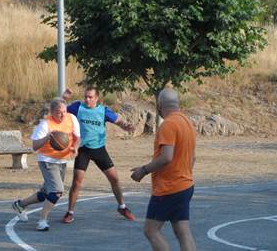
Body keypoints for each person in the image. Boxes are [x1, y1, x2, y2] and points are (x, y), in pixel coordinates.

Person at [131, 88, 197, 251]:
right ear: (177, 104)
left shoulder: (168, 125)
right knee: (183, 232)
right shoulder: (187, 123)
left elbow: (166, 157)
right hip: (185, 185)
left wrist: (143, 170)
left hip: (168, 189)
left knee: (151, 231)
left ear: (159, 105)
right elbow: (193, 158)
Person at [62, 86, 136, 223]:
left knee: (114, 179)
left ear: (96, 98)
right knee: (77, 182)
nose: (87, 99)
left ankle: (122, 207)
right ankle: (69, 212)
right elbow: (59, 109)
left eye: (90, 97)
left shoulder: (103, 111)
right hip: (83, 150)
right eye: (85, 96)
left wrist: (125, 126)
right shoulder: (77, 107)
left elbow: (118, 121)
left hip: (99, 149)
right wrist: (64, 98)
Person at [12, 98, 80, 231]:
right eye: (59, 112)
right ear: (52, 112)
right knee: (57, 192)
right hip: (47, 161)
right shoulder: (45, 124)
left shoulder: (71, 118)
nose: (62, 115)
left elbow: (77, 137)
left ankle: (20, 205)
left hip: (62, 161)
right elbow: (35, 146)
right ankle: (42, 220)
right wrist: (47, 138)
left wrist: (75, 148)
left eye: (64, 111)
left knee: (45, 193)